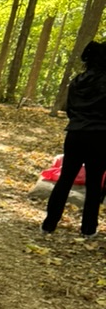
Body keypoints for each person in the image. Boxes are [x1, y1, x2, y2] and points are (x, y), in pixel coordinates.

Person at [42, 40, 106, 238]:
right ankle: (88, 229)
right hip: (100, 136)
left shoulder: (77, 81)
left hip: (75, 134)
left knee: (65, 179)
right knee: (95, 183)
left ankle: (49, 224)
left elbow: (70, 109)